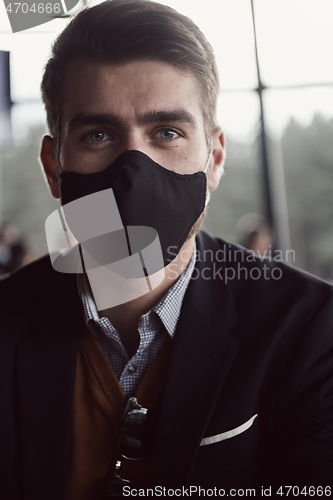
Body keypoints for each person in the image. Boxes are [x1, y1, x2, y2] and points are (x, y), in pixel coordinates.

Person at [0, 1, 333, 499]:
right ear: (54, 167)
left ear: (214, 159)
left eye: (167, 132)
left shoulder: (311, 330)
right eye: (98, 134)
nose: (134, 172)